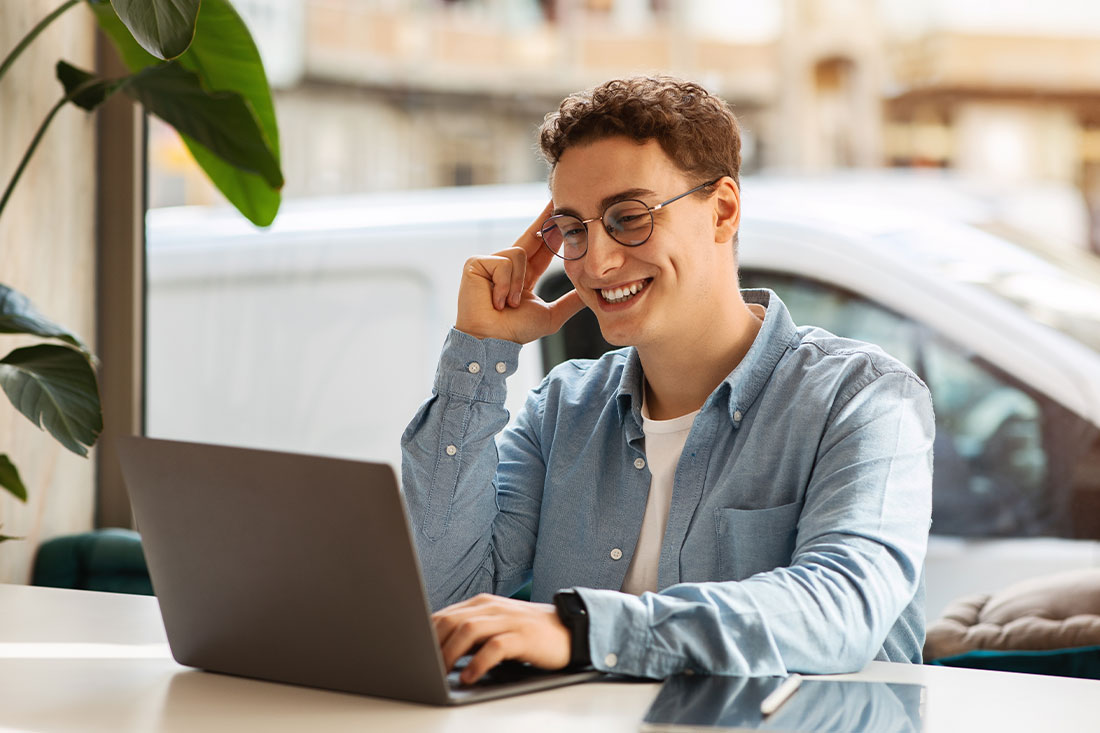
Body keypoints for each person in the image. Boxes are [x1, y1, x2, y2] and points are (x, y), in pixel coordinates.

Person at [400, 76, 934, 685]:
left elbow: (842, 608)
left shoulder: (862, 398)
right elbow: (445, 599)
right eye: (573, 228)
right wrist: (480, 353)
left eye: (629, 217)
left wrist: (584, 631)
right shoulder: (563, 409)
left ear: (723, 211)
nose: (594, 263)